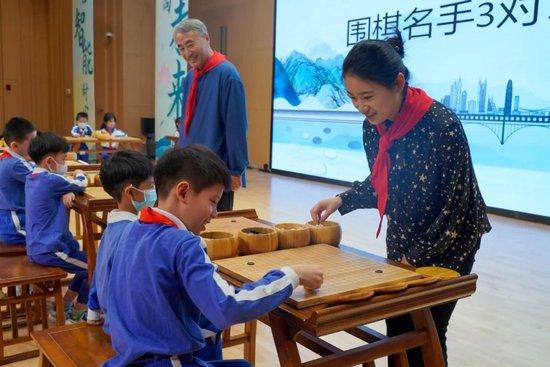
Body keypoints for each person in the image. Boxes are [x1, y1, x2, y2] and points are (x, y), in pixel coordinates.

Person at [309, 32, 491, 367]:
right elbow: (384, 184)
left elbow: (455, 209)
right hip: (406, 234)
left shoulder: (441, 125)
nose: (362, 107)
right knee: (397, 329)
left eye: (368, 96)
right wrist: (341, 199)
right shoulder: (373, 126)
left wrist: (414, 257)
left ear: (398, 82)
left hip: (452, 242)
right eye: (352, 98)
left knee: (427, 328)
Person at [103, 145, 323, 366]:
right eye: (213, 201)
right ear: (183, 192)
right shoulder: (184, 244)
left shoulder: (130, 230)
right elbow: (228, 306)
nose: (215, 213)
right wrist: (291, 275)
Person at [174, 19, 248, 212]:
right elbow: (185, 124)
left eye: (190, 44)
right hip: (189, 169)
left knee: (215, 230)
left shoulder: (228, 75)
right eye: (181, 48)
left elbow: (236, 128)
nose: (186, 53)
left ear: (206, 38)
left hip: (215, 172)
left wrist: (235, 170)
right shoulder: (190, 77)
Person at [25, 132, 90, 322]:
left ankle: (65, 305)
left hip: (38, 246)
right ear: (50, 162)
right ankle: (78, 313)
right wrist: (80, 173)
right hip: (50, 249)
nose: (64, 163)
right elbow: (81, 183)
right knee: (96, 268)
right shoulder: (51, 180)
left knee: (86, 263)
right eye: (63, 158)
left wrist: (67, 188)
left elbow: (67, 186)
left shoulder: (32, 178)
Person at [86, 150, 155, 326]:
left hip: (113, 320)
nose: (154, 192)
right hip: (130, 328)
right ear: (130, 193)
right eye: (150, 187)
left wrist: (93, 313)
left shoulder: (112, 228)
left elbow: (99, 275)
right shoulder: (136, 233)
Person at [0, 117, 37, 245]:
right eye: (32, 142)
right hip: (14, 225)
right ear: (15, 145)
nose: (36, 146)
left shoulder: (5, 158)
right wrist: (79, 176)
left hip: (7, 220)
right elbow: (44, 178)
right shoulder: (15, 164)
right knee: (51, 236)